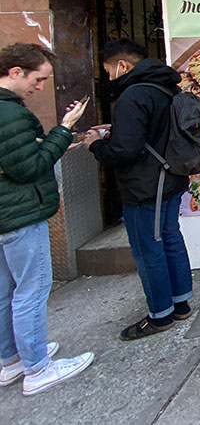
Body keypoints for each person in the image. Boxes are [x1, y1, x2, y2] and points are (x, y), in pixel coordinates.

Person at [80, 40, 194, 341]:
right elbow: (153, 132)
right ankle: (180, 303)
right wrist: (114, 130)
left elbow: (124, 150)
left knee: (148, 250)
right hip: (170, 178)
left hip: (146, 186)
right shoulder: (166, 86)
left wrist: (96, 144)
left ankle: (160, 315)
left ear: (122, 66)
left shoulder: (133, 95)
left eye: (107, 70)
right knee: (170, 238)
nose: (108, 78)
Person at [0, 42, 94, 396]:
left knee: (7, 292)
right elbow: (30, 168)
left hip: (5, 214)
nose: (39, 88)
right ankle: (38, 368)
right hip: (20, 214)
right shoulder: (9, 114)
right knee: (31, 291)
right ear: (15, 72)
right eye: (38, 80)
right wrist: (64, 129)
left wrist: (46, 140)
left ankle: (12, 361)